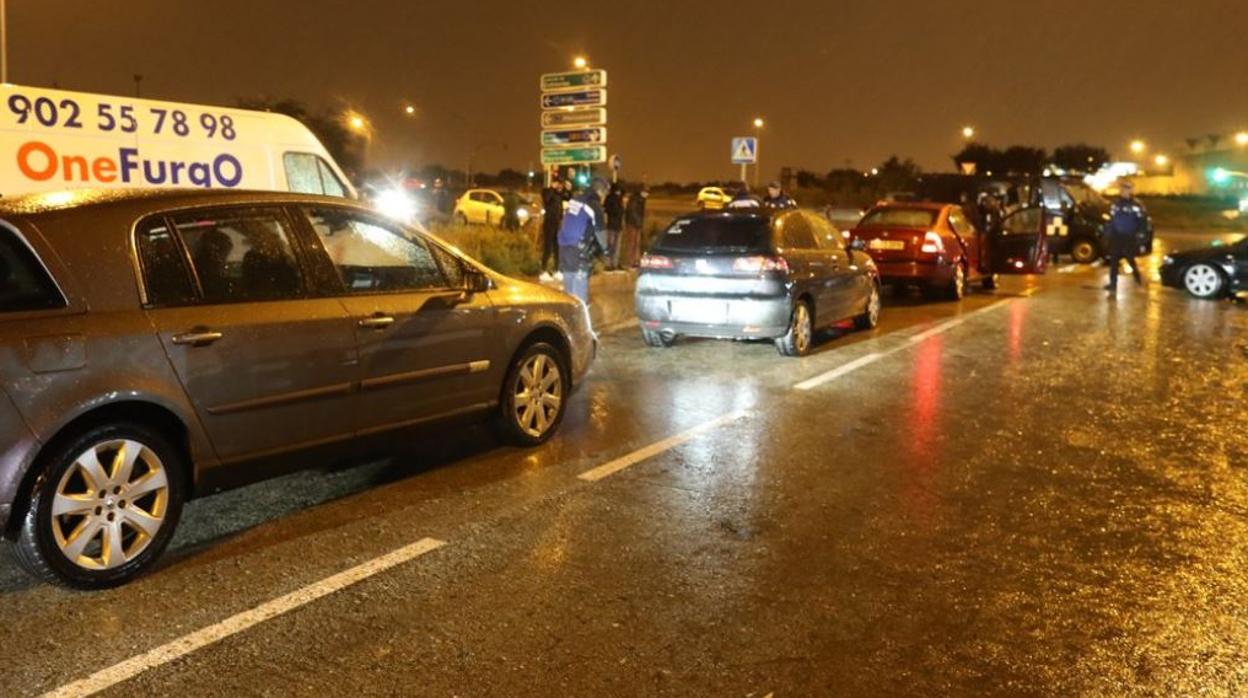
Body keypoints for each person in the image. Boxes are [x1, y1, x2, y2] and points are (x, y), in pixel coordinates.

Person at [557, 177, 608, 304]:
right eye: (605, 193)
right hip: (578, 250)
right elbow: (600, 231)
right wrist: (606, 251)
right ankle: (579, 321)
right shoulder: (594, 205)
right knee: (580, 298)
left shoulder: (575, 199)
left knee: (569, 293)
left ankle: (568, 319)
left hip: (564, 248)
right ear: (601, 192)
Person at [1103, 181, 1147, 292]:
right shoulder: (1115, 204)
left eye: (1127, 189)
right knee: (1114, 260)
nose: (1124, 191)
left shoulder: (1136, 205)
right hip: (1116, 236)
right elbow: (1111, 220)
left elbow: (1142, 222)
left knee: (1130, 258)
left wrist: (1141, 237)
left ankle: (1137, 277)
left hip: (1129, 236)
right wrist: (1107, 234)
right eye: (1122, 189)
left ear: (1131, 190)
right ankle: (1113, 284)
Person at [539, 179, 564, 280]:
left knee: (557, 248)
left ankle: (556, 270)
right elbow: (546, 200)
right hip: (549, 223)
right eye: (558, 184)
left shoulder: (558, 195)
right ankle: (543, 270)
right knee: (548, 248)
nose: (560, 186)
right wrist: (552, 188)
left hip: (557, 224)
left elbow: (560, 209)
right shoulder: (547, 192)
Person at [622, 184, 649, 268]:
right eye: (646, 192)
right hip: (632, 223)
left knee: (636, 243)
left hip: (637, 223)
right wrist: (638, 223)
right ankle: (630, 262)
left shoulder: (642, 199)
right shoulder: (635, 199)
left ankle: (636, 261)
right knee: (632, 243)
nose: (647, 194)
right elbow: (632, 212)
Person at [603, 183, 626, 268]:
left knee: (616, 246)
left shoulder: (619, 199)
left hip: (617, 225)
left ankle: (615, 263)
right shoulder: (610, 198)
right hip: (611, 225)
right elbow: (607, 210)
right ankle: (608, 263)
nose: (619, 192)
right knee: (611, 245)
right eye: (618, 190)